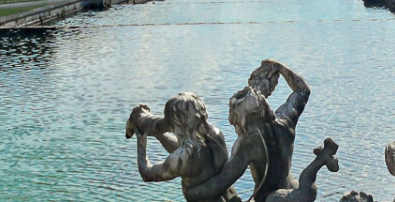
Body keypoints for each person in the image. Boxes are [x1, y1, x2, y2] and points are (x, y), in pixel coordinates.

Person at [187, 60, 310, 202]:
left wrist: (192, 191)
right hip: (294, 192)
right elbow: (303, 90)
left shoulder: (248, 144)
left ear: (242, 119)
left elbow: (221, 182)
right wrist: (280, 67)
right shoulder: (286, 121)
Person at [127, 94, 242, 202]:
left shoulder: (181, 158)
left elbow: (147, 174)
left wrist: (141, 141)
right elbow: (189, 153)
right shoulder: (215, 134)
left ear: (177, 123)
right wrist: (158, 134)